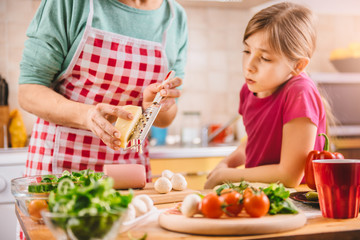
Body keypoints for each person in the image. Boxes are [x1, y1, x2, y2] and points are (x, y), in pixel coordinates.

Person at [18, 0, 187, 181]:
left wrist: (152, 106)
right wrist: (87, 116)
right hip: (59, 169)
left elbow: (166, 117)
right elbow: (28, 91)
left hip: (128, 171)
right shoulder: (70, 3)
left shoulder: (175, 17)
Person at [205, 2, 326, 189]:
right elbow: (253, 145)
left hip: (295, 203)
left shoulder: (299, 93)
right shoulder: (249, 90)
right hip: (259, 196)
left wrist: (226, 176)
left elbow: (289, 176)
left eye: (265, 58)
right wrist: (227, 163)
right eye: (247, 51)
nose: (249, 66)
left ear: (298, 66)